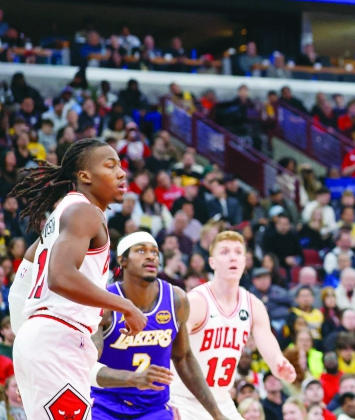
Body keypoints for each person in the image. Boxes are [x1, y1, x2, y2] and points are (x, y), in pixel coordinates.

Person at [12, 139, 147, 420]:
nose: (121, 173)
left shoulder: (59, 217)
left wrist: (25, 338)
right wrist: (127, 306)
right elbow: (60, 277)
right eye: (110, 166)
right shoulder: (85, 212)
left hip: (43, 339)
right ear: (84, 176)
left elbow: (20, 286)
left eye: (121, 166)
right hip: (58, 340)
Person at [90, 231, 227, 420]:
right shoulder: (105, 303)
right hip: (106, 405)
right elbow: (88, 365)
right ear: (123, 261)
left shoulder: (176, 299)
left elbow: (183, 358)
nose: (150, 256)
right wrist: (132, 379)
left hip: (153, 410)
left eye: (155, 252)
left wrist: (217, 414)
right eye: (140, 250)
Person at [170, 231, 297, 420]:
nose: (233, 257)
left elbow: (266, 338)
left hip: (222, 400)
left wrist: (278, 362)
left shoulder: (253, 304)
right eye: (225, 252)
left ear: (245, 261)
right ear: (212, 262)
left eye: (238, 252)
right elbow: (168, 351)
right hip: (183, 400)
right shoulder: (196, 302)